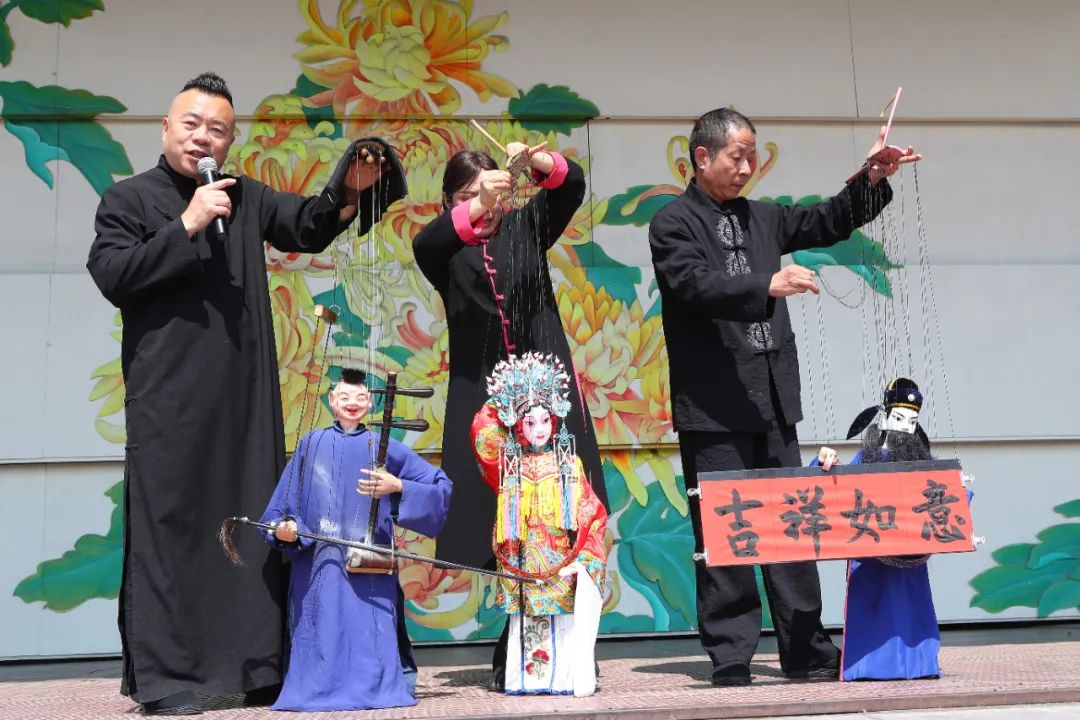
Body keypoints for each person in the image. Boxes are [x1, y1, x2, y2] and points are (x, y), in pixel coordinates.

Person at [86, 71, 406, 714]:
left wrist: (350, 188)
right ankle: (170, 679)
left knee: (252, 523)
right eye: (191, 124)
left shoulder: (245, 195)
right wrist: (187, 223)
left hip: (244, 395)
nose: (202, 138)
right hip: (170, 399)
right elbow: (113, 273)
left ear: (230, 142)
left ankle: (254, 668)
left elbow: (308, 224)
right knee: (173, 528)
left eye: (218, 130)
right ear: (166, 128)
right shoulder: (128, 198)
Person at [648, 107, 920, 686]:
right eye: (736, 156)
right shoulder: (672, 223)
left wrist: (872, 177)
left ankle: (805, 649)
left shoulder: (765, 217)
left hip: (772, 399)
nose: (747, 167)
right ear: (702, 157)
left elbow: (827, 220)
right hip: (712, 406)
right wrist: (766, 284)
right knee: (725, 529)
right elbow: (693, 285)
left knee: (795, 524)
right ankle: (730, 654)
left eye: (752, 156)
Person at [412, 143, 607, 688]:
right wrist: (477, 208)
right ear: (449, 201)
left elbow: (569, 187)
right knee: (508, 522)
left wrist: (538, 163)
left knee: (563, 514)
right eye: (466, 195)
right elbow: (427, 243)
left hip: (550, 407)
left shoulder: (527, 227)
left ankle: (565, 643)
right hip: (487, 411)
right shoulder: (445, 249)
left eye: (490, 190)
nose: (483, 202)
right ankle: (521, 641)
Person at [260, 369, 453, 710]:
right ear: (332, 400)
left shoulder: (384, 446)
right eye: (345, 397)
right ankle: (316, 692)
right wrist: (284, 528)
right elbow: (283, 507)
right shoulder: (310, 445)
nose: (353, 403)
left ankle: (374, 690)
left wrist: (398, 486)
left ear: (370, 403)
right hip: (319, 562)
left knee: (370, 628)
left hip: (369, 561)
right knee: (322, 626)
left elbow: (440, 485)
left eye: (361, 397)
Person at [470, 352, 607, 696]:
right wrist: (506, 395)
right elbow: (481, 433)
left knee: (563, 624)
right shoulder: (508, 465)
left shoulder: (569, 463)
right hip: (522, 562)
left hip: (560, 561)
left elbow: (591, 512)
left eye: (545, 420)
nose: (539, 429)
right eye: (529, 423)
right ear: (518, 425)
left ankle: (566, 678)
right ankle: (522, 680)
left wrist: (584, 557)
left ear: (555, 420)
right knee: (524, 624)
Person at [815, 377, 942, 681]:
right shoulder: (867, 458)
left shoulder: (922, 461)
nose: (904, 427)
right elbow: (837, 489)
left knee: (912, 608)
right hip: (870, 557)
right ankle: (868, 666)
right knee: (873, 608)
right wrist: (825, 462)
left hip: (910, 555)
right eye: (898, 418)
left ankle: (919, 665)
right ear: (884, 418)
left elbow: (945, 495)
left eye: (912, 422)